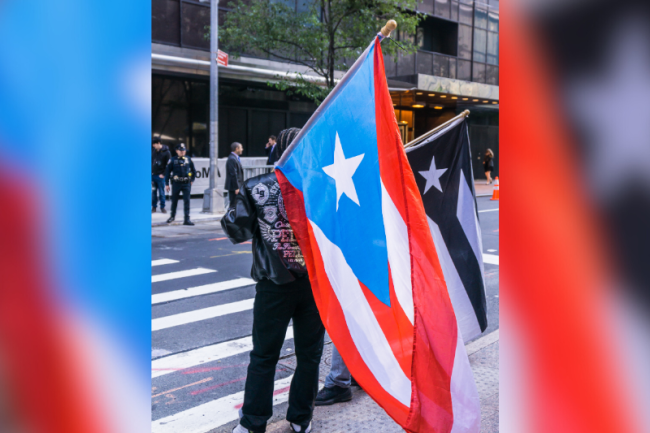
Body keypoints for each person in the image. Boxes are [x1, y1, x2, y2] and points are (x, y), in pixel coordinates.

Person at [222, 128, 323, 433]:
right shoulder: (323, 184)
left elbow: (235, 229)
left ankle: (254, 422)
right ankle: (300, 418)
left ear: (278, 151)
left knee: (264, 355)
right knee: (309, 355)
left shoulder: (256, 187)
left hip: (274, 285)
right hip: (315, 285)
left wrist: (240, 204)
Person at [164, 143, 196, 225]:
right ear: (177, 151)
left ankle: (187, 219)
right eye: (181, 150)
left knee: (187, 201)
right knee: (174, 201)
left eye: (184, 150)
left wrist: (192, 180)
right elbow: (167, 172)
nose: (183, 152)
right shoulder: (172, 160)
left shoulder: (188, 159)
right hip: (176, 183)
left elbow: (194, 171)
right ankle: (172, 216)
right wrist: (167, 184)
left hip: (186, 183)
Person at [152, 137, 171, 213]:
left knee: (161, 193)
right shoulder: (154, 151)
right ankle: (154, 207)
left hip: (160, 176)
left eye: (154, 144)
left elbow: (168, 165)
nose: (153, 145)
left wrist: (163, 174)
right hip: (153, 175)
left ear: (159, 143)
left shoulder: (166, 152)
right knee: (153, 192)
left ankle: (162, 207)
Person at [225, 142, 244, 208]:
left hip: (236, 187)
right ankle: (231, 217)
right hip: (234, 187)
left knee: (236, 204)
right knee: (233, 205)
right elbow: (233, 174)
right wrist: (236, 187)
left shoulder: (234, 158)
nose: (242, 149)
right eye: (241, 148)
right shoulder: (232, 159)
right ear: (237, 149)